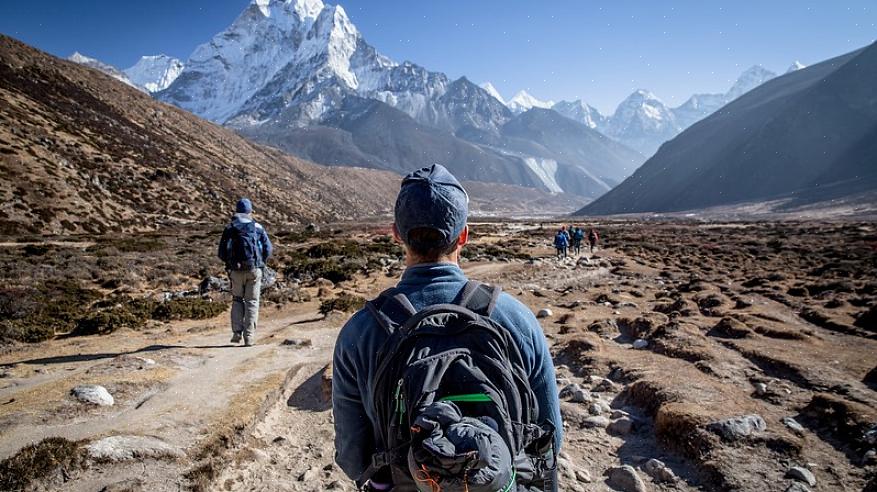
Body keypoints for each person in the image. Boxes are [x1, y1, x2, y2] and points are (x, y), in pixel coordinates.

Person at [333, 165, 561, 491]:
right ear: (464, 235)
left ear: (396, 233)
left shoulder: (360, 332)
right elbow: (551, 440)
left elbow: (353, 460)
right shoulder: (517, 320)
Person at [217, 198, 272, 346]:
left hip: (235, 271)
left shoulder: (230, 228)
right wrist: (261, 263)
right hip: (254, 269)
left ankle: (236, 333)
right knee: (252, 302)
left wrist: (229, 264)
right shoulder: (258, 227)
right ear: (250, 211)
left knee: (237, 300)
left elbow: (221, 252)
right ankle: (249, 337)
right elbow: (268, 249)